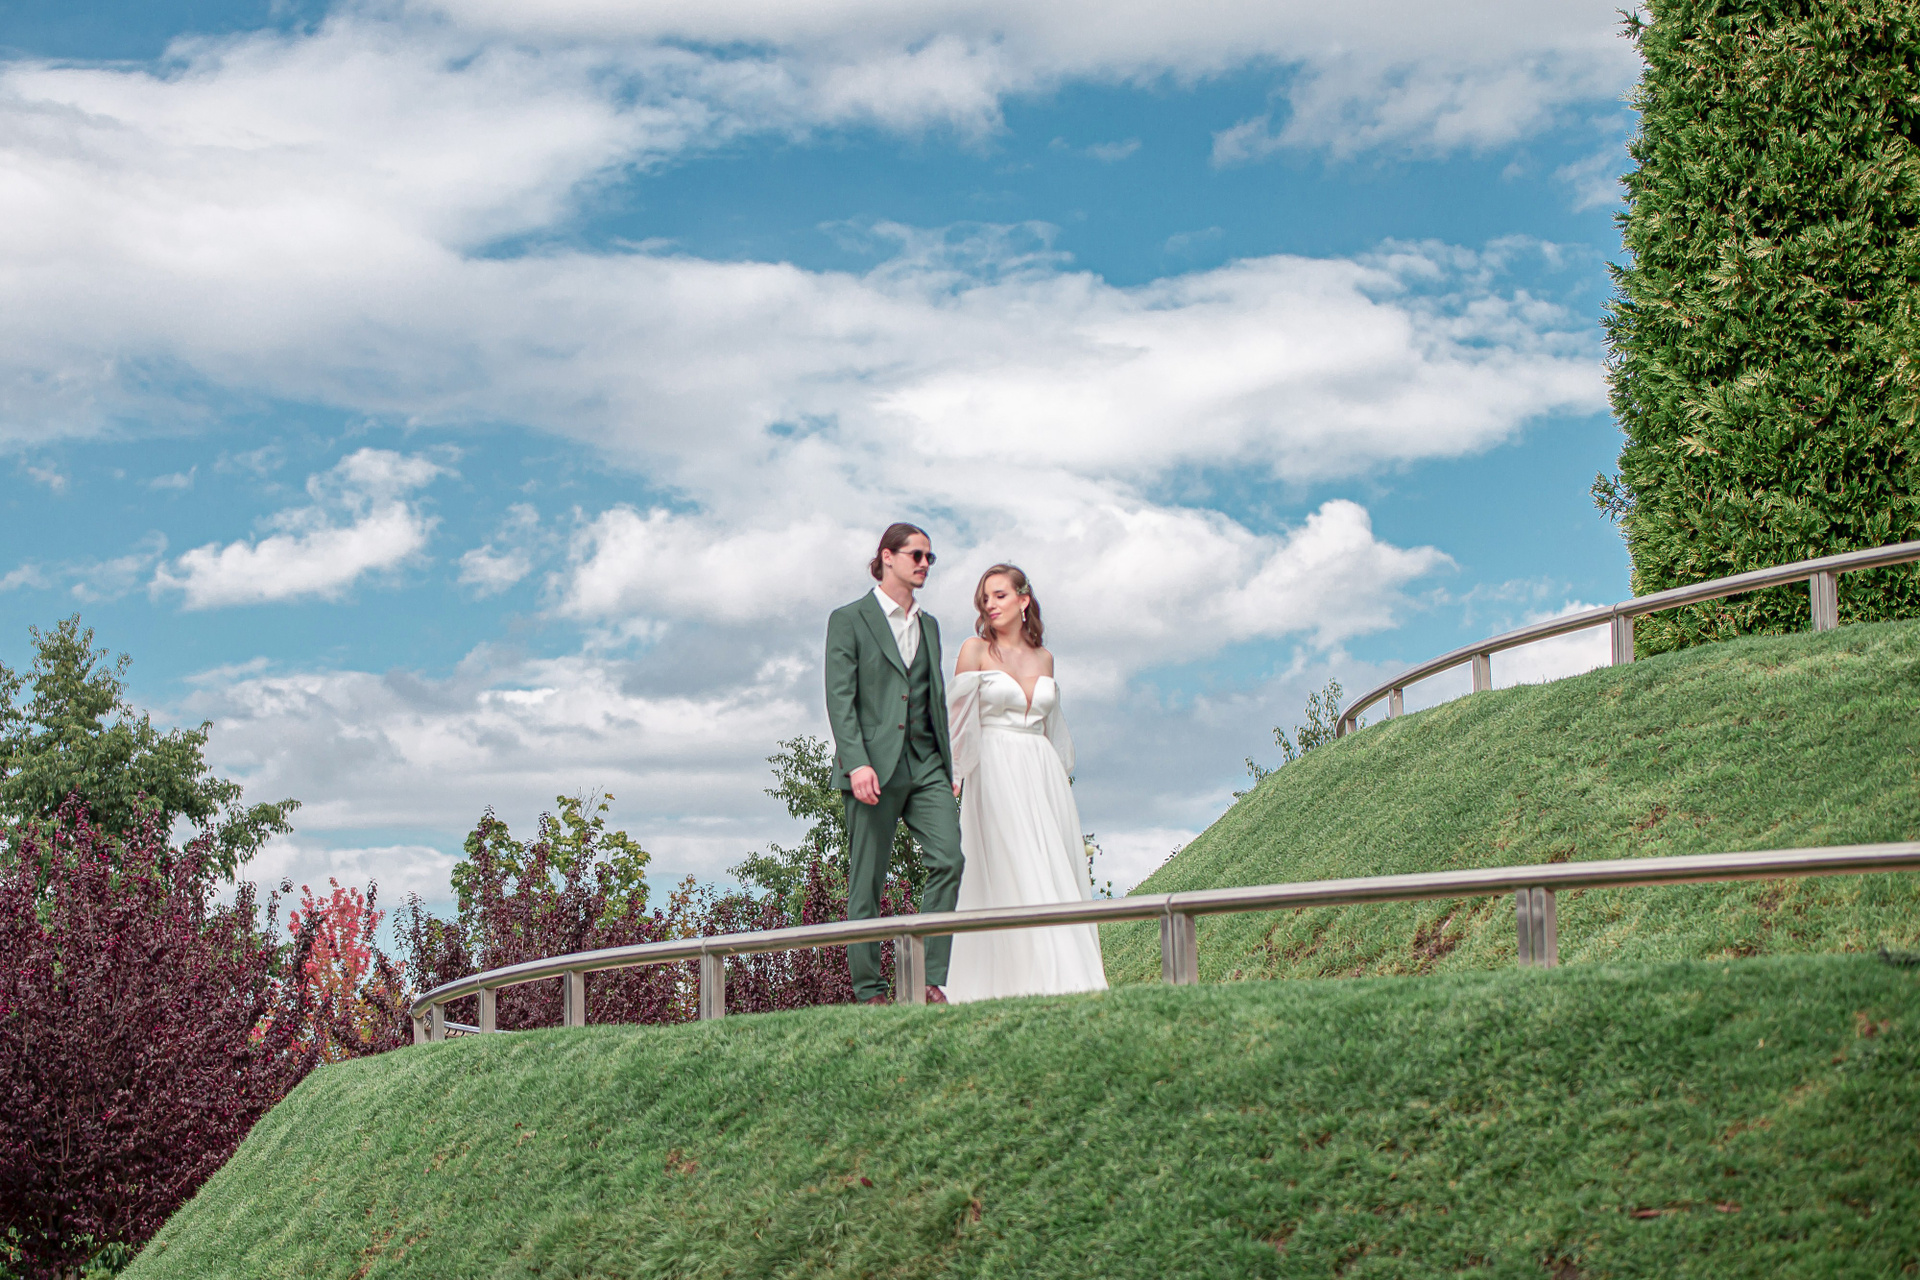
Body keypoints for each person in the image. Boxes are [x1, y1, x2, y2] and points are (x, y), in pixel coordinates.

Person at [943, 564, 1108, 1001]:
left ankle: (1069, 976)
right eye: (985, 598)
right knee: (1013, 863)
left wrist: (1059, 779)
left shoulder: (1045, 659)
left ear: (1023, 599)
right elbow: (957, 720)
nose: (990, 605)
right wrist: (954, 774)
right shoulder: (975, 650)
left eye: (999, 595)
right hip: (994, 766)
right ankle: (1024, 980)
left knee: (1052, 864)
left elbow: (1054, 729)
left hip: (1042, 771)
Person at [823, 522, 966, 1005]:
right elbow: (840, 698)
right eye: (916, 555)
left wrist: (948, 767)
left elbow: (934, 700)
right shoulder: (849, 619)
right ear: (887, 556)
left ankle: (926, 978)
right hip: (872, 768)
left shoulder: (930, 626)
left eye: (929, 557)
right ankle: (870, 991)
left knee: (949, 858)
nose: (925, 564)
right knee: (867, 881)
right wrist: (856, 763)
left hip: (926, 766)